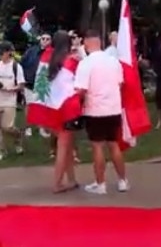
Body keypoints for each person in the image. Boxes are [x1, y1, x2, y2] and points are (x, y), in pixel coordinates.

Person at [75, 29, 129, 195]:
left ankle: (101, 184)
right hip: (113, 108)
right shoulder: (113, 61)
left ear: (86, 43)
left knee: (97, 146)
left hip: (95, 110)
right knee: (114, 145)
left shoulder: (86, 63)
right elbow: (120, 83)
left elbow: (81, 89)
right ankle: (122, 181)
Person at [47, 30, 80, 194]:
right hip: (68, 107)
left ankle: (72, 179)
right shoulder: (71, 60)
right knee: (63, 146)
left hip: (55, 106)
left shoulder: (51, 62)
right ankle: (57, 183)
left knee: (66, 145)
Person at [0, 41, 25, 161]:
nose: (0, 56)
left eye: (2, 53)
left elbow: (21, 85)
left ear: (9, 53)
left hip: (9, 100)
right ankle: (2, 151)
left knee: (7, 127)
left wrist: (9, 89)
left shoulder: (16, 67)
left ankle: (18, 137)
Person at [21, 33, 52, 138]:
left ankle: (41, 128)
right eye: (43, 38)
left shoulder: (52, 53)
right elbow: (22, 63)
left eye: (48, 39)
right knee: (29, 106)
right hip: (30, 82)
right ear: (40, 40)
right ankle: (28, 127)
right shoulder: (31, 51)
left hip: (43, 83)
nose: (45, 40)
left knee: (41, 106)